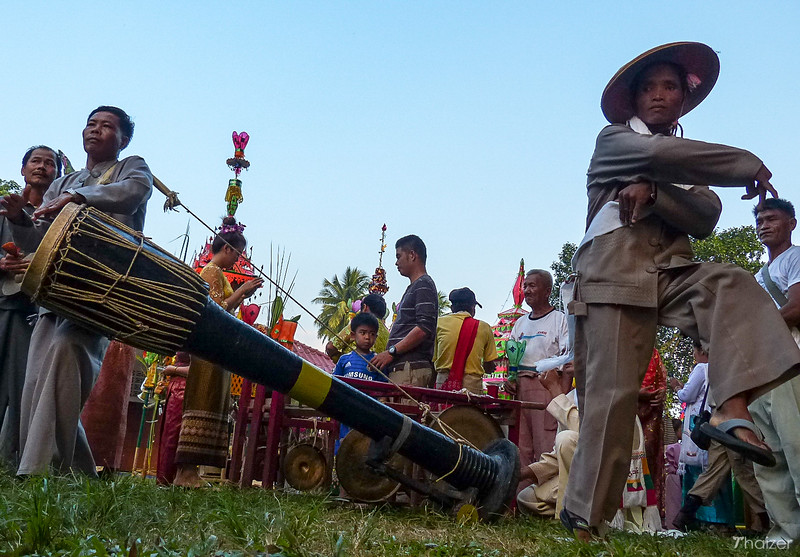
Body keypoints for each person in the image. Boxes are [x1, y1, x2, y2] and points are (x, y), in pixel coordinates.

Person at [563, 42, 800, 540]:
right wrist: (747, 163)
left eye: (669, 86)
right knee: (612, 399)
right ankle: (585, 518)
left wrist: (652, 191)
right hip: (613, 281)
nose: (658, 95)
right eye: (648, 87)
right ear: (633, 99)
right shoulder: (615, 140)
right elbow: (655, 153)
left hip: (668, 275)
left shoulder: (681, 167)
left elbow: (706, 215)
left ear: (682, 99)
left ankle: (731, 406)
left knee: (731, 283)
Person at [1, 106, 154, 476]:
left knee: (68, 353)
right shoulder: (61, 183)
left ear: (123, 139)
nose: (95, 130)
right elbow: (41, 238)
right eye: (91, 124)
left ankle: (37, 470)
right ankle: (78, 471)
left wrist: (79, 198)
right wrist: (21, 218)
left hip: (100, 288)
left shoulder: (131, 168)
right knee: (38, 377)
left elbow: (132, 194)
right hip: (55, 291)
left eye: (106, 126)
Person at [174, 217, 263, 487]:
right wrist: (243, 291)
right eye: (237, 253)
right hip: (208, 352)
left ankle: (192, 472)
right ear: (227, 249)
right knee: (203, 400)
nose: (238, 260)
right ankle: (186, 472)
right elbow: (216, 311)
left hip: (215, 351)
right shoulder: (211, 271)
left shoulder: (217, 273)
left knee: (211, 402)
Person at [0, 146, 60, 465]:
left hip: (32, 313)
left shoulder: (56, 218)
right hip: (1, 305)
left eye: (50, 164)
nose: (42, 167)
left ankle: (14, 463)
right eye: (35, 161)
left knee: (23, 389)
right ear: (23, 170)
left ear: (57, 176)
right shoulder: (3, 208)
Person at [749, 198, 800, 543]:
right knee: (770, 452)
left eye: (772, 219)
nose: (764, 225)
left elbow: (797, 308)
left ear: (791, 224)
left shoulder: (796, 258)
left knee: (796, 443)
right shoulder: (755, 276)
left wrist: (751, 331)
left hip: (790, 358)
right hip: (761, 365)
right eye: (760, 221)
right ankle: (785, 530)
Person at [507, 270, 569, 467]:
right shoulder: (520, 323)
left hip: (547, 389)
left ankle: (546, 496)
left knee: (546, 448)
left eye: (532, 285)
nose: (527, 290)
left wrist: (560, 397)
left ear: (547, 291)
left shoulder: (560, 320)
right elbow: (512, 356)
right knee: (521, 447)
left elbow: (568, 363)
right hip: (521, 392)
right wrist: (511, 379)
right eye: (525, 286)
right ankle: (523, 496)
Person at [371, 235, 438, 387]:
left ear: (412, 255)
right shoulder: (416, 286)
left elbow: (424, 328)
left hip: (410, 370)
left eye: (399, 256)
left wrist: (391, 352)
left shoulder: (423, 284)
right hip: (405, 369)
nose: (396, 262)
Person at [517, 366, 578, 518]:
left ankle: (572, 514)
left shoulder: (601, 391)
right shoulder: (571, 397)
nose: (567, 360)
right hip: (575, 474)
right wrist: (522, 473)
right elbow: (558, 453)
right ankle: (569, 508)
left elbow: (586, 434)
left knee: (566, 438)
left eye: (573, 353)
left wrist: (555, 389)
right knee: (526, 498)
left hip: (598, 471)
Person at [331, 311, 387, 451]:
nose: (367, 337)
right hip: (346, 411)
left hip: (368, 414)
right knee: (343, 447)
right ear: (352, 335)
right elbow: (335, 386)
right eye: (363, 332)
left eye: (372, 333)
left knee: (363, 448)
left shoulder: (377, 362)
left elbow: (383, 393)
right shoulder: (344, 360)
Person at [433, 287, 498, 394]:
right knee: (468, 411)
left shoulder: (439, 323)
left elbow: (434, 358)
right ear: (473, 307)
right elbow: (488, 366)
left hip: (443, 383)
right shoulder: (484, 327)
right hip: (471, 386)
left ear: (452, 307)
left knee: (442, 411)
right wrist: (490, 368)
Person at [637, 349, 667, 520]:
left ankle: (650, 512)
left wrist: (661, 392)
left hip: (652, 415)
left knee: (649, 458)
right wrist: (636, 393)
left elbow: (661, 378)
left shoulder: (654, 352)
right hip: (627, 411)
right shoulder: (620, 347)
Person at [156, 352, 190, 485]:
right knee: (169, 435)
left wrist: (173, 370)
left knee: (174, 436)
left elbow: (199, 370)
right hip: (176, 387)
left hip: (184, 389)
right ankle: (165, 478)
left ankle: (168, 479)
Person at [325, 293, 390, 362]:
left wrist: (341, 360)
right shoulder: (388, 335)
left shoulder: (361, 323)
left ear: (365, 307)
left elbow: (331, 347)